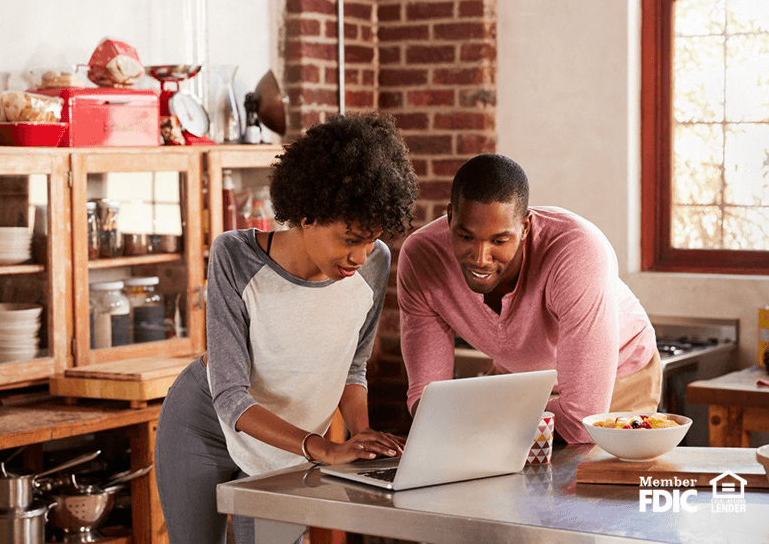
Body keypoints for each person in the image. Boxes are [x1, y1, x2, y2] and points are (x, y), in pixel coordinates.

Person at [155, 113, 418, 544]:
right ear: (307, 215)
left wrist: (361, 432)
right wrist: (323, 448)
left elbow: (352, 367)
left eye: (371, 238)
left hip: (289, 443)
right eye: (350, 238)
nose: (360, 255)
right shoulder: (234, 258)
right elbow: (229, 396)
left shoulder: (375, 264)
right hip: (203, 427)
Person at [397, 153, 660, 444]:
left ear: (524, 227)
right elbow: (427, 397)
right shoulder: (423, 258)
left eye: (499, 241)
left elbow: (582, 420)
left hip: (618, 380)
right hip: (524, 383)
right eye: (466, 237)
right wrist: (447, 423)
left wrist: (478, 419)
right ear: (449, 217)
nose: (481, 259)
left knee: (588, 481)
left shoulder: (577, 252)